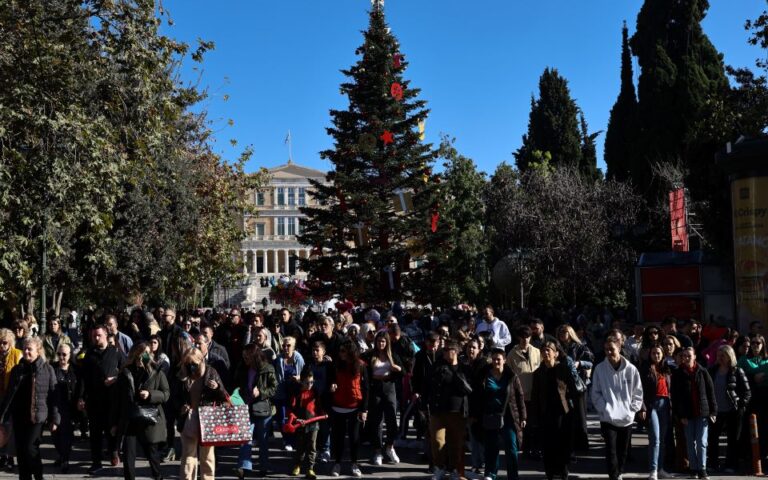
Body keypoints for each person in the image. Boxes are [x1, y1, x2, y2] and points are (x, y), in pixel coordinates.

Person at [0, 336, 59, 480]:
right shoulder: (17, 369)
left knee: (30, 448)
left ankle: (38, 476)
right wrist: (3, 417)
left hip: (37, 416)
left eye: (29, 349)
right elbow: (10, 395)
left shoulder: (47, 369)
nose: (26, 352)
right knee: (21, 452)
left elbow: (54, 396)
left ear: (38, 351)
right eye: (25, 349)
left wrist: (55, 419)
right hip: (19, 416)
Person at [112, 342, 169, 480]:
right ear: (134, 354)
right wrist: (114, 422)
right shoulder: (125, 372)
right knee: (128, 457)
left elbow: (166, 394)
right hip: (129, 419)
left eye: (146, 354)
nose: (141, 357)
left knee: (152, 454)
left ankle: (158, 477)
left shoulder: (156, 372)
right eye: (139, 354)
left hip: (149, 418)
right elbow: (116, 400)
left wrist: (150, 395)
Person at [591, 337, 644, 480]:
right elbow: (595, 392)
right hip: (608, 417)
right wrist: (605, 408)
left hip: (626, 417)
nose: (608, 352)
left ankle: (619, 472)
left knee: (623, 450)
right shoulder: (599, 369)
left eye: (612, 349)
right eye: (606, 349)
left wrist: (633, 409)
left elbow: (638, 392)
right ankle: (613, 476)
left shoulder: (631, 369)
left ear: (619, 349)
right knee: (611, 449)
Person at [175, 347, 229, 480]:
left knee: (207, 456)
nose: (190, 366)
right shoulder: (183, 373)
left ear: (201, 361)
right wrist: (181, 407)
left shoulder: (211, 372)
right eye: (187, 363)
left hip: (207, 416)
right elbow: (174, 397)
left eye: (193, 363)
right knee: (188, 456)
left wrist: (217, 388)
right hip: (189, 417)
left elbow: (224, 396)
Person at [78, 324, 124, 473]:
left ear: (106, 335)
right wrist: (81, 397)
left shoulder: (115, 352)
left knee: (111, 430)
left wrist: (115, 379)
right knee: (95, 433)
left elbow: (125, 372)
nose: (96, 338)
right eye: (94, 336)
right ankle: (96, 462)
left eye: (99, 335)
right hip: (94, 400)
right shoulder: (89, 354)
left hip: (112, 400)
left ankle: (114, 452)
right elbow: (83, 378)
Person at [476, 348, 526, 480]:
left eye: (498, 359)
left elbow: (520, 396)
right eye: (493, 359)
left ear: (504, 360)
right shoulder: (484, 375)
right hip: (490, 416)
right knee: (491, 447)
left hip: (508, 416)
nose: (496, 361)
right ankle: (490, 473)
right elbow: (478, 396)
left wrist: (523, 416)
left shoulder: (511, 376)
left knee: (511, 446)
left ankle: (513, 476)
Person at [427, 339, 473, 480]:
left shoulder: (464, 367)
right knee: (437, 441)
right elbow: (427, 385)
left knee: (456, 443)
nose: (444, 352)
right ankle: (439, 468)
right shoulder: (437, 366)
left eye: (447, 350)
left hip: (457, 411)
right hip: (438, 410)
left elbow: (469, 388)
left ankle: (454, 469)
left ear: (455, 351)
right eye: (444, 349)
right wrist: (425, 404)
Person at [530, 340, 574, 480]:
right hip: (545, 413)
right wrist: (534, 417)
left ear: (556, 353)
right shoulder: (538, 373)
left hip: (562, 413)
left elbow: (572, 391)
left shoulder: (564, 369)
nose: (546, 352)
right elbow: (535, 396)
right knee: (547, 445)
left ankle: (563, 471)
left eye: (549, 350)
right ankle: (550, 473)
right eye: (543, 350)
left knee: (562, 444)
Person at [671, 347, 717, 480]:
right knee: (690, 442)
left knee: (702, 442)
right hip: (687, 414)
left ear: (694, 357)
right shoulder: (678, 373)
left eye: (688, 356)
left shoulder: (702, 372)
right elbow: (675, 396)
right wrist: (679, 415)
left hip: (702, 412)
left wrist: (713, 411)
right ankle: (694, 468)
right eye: (683, 356)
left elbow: (710, 392)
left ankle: (702, 469)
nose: (685, 358)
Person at [328, 338, 369, 478]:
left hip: (354, 407)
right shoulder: (336, 365)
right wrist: (332, 385)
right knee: (338, 438)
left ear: (351, 352)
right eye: (340, 351)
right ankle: (337, 463)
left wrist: (364, 410)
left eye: (343, 351)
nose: (341, 354)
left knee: (354, 438)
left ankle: (354, 464)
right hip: (338, 406)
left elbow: (366, 388)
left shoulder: (361, 366)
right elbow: (331, 380)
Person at [707, 345, 751, 473]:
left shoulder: (737, 371)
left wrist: (740, 406)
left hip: (733, 410)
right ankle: (713, 464)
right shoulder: (712, 370)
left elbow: (747, 392)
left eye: (723, 355)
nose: (719, 357)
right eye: (718, 355)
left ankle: (731, 465)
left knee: (733, 439)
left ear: (729, 356)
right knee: (713, 438)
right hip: (715, 411)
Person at [236, 344, 277, 479]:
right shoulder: (243, 368)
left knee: (263, 440)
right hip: (247, 407)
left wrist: (261, 392)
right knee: (245, 439)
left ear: (254, 356)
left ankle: (263, 466)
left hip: (263, 409)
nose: (245, 359)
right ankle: (244, 466)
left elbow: (274, 388)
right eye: (243, 357)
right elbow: (238, 385)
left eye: (247, 357)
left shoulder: (268, 368)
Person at [364, 330, 403, 466]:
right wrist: (375, 377)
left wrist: (394, 369)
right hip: (375, 390)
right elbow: (361, 364)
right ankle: (378, 451)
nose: (381, 343)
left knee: (392, 421)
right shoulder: (370, 355)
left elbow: (402, 371)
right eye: (379, 341)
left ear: (387, 343)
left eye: (383, 341)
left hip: (389, 389)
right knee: (376, 422)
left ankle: (390, 446)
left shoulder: (392, 355)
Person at [557, 324, 594, 452]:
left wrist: (580, 363)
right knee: (566, 415)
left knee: (580, 416)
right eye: (560, 332)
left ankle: (582, 445)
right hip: (562, 385)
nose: (562, 334)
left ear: (570, 333)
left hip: (578, 385)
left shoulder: (580, 347)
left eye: (565, 332)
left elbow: (591, 362)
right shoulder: (558, 348)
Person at [506, 325, 541, 458]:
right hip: (521, 395)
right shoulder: (512, 354)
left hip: (535, 394)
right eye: (523, 337)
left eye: (528, 337)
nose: (526, 339)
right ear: (518, 337)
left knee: (535, 423)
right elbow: (508, 373)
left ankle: (536, 449)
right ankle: (525, 448)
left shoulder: (537, 351)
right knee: (523, 423)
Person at [640, 343, 673, 480]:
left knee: (663, 440)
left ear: (662, 354)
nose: (656, 355)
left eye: (658, 353)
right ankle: (653, 470)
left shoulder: (667, 369)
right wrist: (642, 407)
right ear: (650, 355)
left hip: (665, 404)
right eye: (654, 353)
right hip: (651, 404)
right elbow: (638, 389)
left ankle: (660, 469)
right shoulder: (645, 369)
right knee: (655, 439)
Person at [288, 369, 323, 479]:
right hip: (300, 425)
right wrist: (296, 420)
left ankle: (310, 468)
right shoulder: (297, 393)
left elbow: (320, 407)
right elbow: (291, 410)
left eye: (312, 382)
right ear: (301, 381)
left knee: (312, 446)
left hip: (314, 424)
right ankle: (297, 465)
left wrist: (323, 414)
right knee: (300, 446)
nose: (310, 385)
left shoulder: (315, 392)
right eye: (307, 382)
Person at [274, 335, 305, 451]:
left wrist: (299, 377)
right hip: (281, 391)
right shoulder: (279, 359)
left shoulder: (299, 358)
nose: (285, 348)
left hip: (295, 392)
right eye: (283, 345)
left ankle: (293, 439)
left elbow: (304, 373)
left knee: (293, 417)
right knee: (281, 418)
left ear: (294, 347)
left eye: (288, 345)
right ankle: (286, 439)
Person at [52, 343, 78, 472]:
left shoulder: (75, 369)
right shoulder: (52, 368)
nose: (61, 357)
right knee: (55, 434)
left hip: (69, 407)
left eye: (64, 354)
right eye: (59, 354)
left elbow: (80, 387)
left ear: (70, 355)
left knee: (66, 435)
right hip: (55, 406)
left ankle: (65, 459)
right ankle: (61, 455)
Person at [0, 328, 22, 470]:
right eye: (0, 343)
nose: (1, 346)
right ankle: (2, 456)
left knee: (9, 427)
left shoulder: (17, 354)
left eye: (4, 343)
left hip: (11, 396)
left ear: (10, 343)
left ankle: (10, 457)